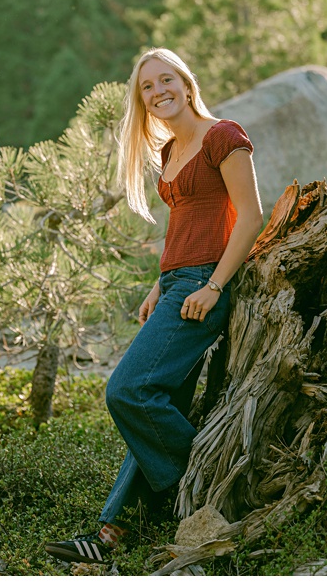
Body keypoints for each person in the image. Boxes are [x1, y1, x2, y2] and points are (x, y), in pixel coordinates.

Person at [45, 48, 263, 564]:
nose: (158, 91)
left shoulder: (224, 136)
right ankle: (110, 535)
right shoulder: (169, 153)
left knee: (128, 391)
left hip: (204, 287)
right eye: (147, 87)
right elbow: (182, 225)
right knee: (158, 403)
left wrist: (212, 286)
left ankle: (197, 486)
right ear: (141, 100)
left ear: (186, 85)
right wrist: (158, 283)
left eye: (167, 80)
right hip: (176, 285)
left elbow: (251, 217)